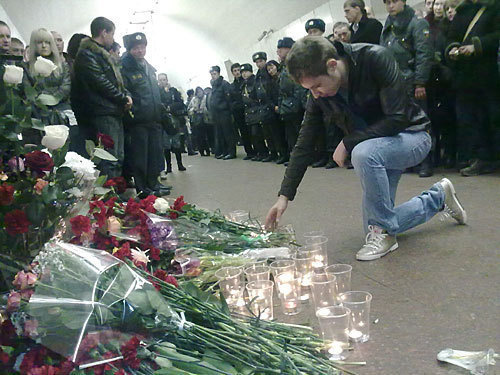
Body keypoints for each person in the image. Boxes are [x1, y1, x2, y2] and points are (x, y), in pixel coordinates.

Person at [265, 37, 467, 261]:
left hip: (413, 136)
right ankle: (438, 197)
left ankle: (385, 235)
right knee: (376, 225)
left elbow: (397, 118)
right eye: (309, 89)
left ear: (332, 65)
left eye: (317, 86)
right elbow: (304, 142)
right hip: (375, 148)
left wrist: (348, 142)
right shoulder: (320, 93)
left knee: (363, 154)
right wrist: (284, 196)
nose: (315, 94)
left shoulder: (374, 57)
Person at [71, 17, 132, 176]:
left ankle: (115, 192)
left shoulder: (98, 54)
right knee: (108, 158)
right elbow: (100, 82)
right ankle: (109, 197)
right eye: (112, 33)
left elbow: (114, 81)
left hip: (111, 110)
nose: (113, 38)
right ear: (103, 32)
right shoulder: (87, 54)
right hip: (102, 111)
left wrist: (124, 95)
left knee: (117, 156)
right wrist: (123, 98)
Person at [445, 0, 500, 176]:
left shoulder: (494, 8)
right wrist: (453, 49)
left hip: (487, 76)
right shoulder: (463, 10)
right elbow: (452, 37)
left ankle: (492, 157)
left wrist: (476, 46)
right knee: (468, 119)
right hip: (465, 76)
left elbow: (497, 36)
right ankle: (479, 157)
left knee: (490, 119)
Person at [381, 0, 434, 177]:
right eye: (387, 2)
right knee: (401, 124)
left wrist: (420, 82)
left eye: (394, 1)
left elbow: (423, 54)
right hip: (393, 83)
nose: (390, 5)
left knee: (420, 123)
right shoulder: (387, 25)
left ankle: (426, 161)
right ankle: (410, 161)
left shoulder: (417, 23)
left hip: (412, 81)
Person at [121, 32, 170, 198]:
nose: (140, 50)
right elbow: (124, 89)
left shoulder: (149, 68)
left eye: (142, 47)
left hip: (154, 117)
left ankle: (154, 183)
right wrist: (133, 110)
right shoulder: (125, 67)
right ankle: (144, 188)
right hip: (138, 120)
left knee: (155, 154)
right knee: (141, 156)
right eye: (136, 48)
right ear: (129, 50)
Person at [276, 37, 308, 166]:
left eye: (280, 49)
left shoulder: (296, 64)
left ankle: (304, 158)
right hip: (287, 106)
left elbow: (298, 86)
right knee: (292, 135)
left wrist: (300, 105)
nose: (278, 52)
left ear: (289, 49)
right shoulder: (285, 66)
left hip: (295, 106)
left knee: (300, 134)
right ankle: (296, 158)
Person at [158, 73, 187, 173]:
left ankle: (180, 164)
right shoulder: (157, 92)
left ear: (167, 80)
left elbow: (180, 103)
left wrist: (171, 107)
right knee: (166, 144)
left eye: (164, 80)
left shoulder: (174, 91)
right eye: (160, 80)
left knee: (176, 143)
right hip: (163, 121)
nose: (162, 82)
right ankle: (169, 167)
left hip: (174, 120)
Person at [209, 65, 237, 159]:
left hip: (224, 112)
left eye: (214, 74)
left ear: (218, 73)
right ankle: (225, 151)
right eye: (212, 74)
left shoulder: (224, 84)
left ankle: (231, 152)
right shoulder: (214, 86)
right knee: (220, 133)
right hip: (216, 114)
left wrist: (228, 110)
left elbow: (229, 98)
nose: (213, 76)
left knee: (228, 133)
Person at [230, 62, 255, 159]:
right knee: (244, 133)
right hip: (238, 113)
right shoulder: (232, 86)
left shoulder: (245, 82)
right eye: (235, 71)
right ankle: (249, 152)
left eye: (238, 70)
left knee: (252, 132)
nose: (237, 72)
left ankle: (257, 150)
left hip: (247, 110)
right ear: (232, 73)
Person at [188, 86, 211, 156]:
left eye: (200, 91)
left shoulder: (206, 98)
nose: (199, 93)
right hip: (197, 121)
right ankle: (201, 151)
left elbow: (209, 107)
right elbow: (189, 109)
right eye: (198, 92)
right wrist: (194, 110)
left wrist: (204, 110)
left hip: (206, 119)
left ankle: (209, 150)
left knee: (208, 135)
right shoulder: (194, 100)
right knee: (199, 137)